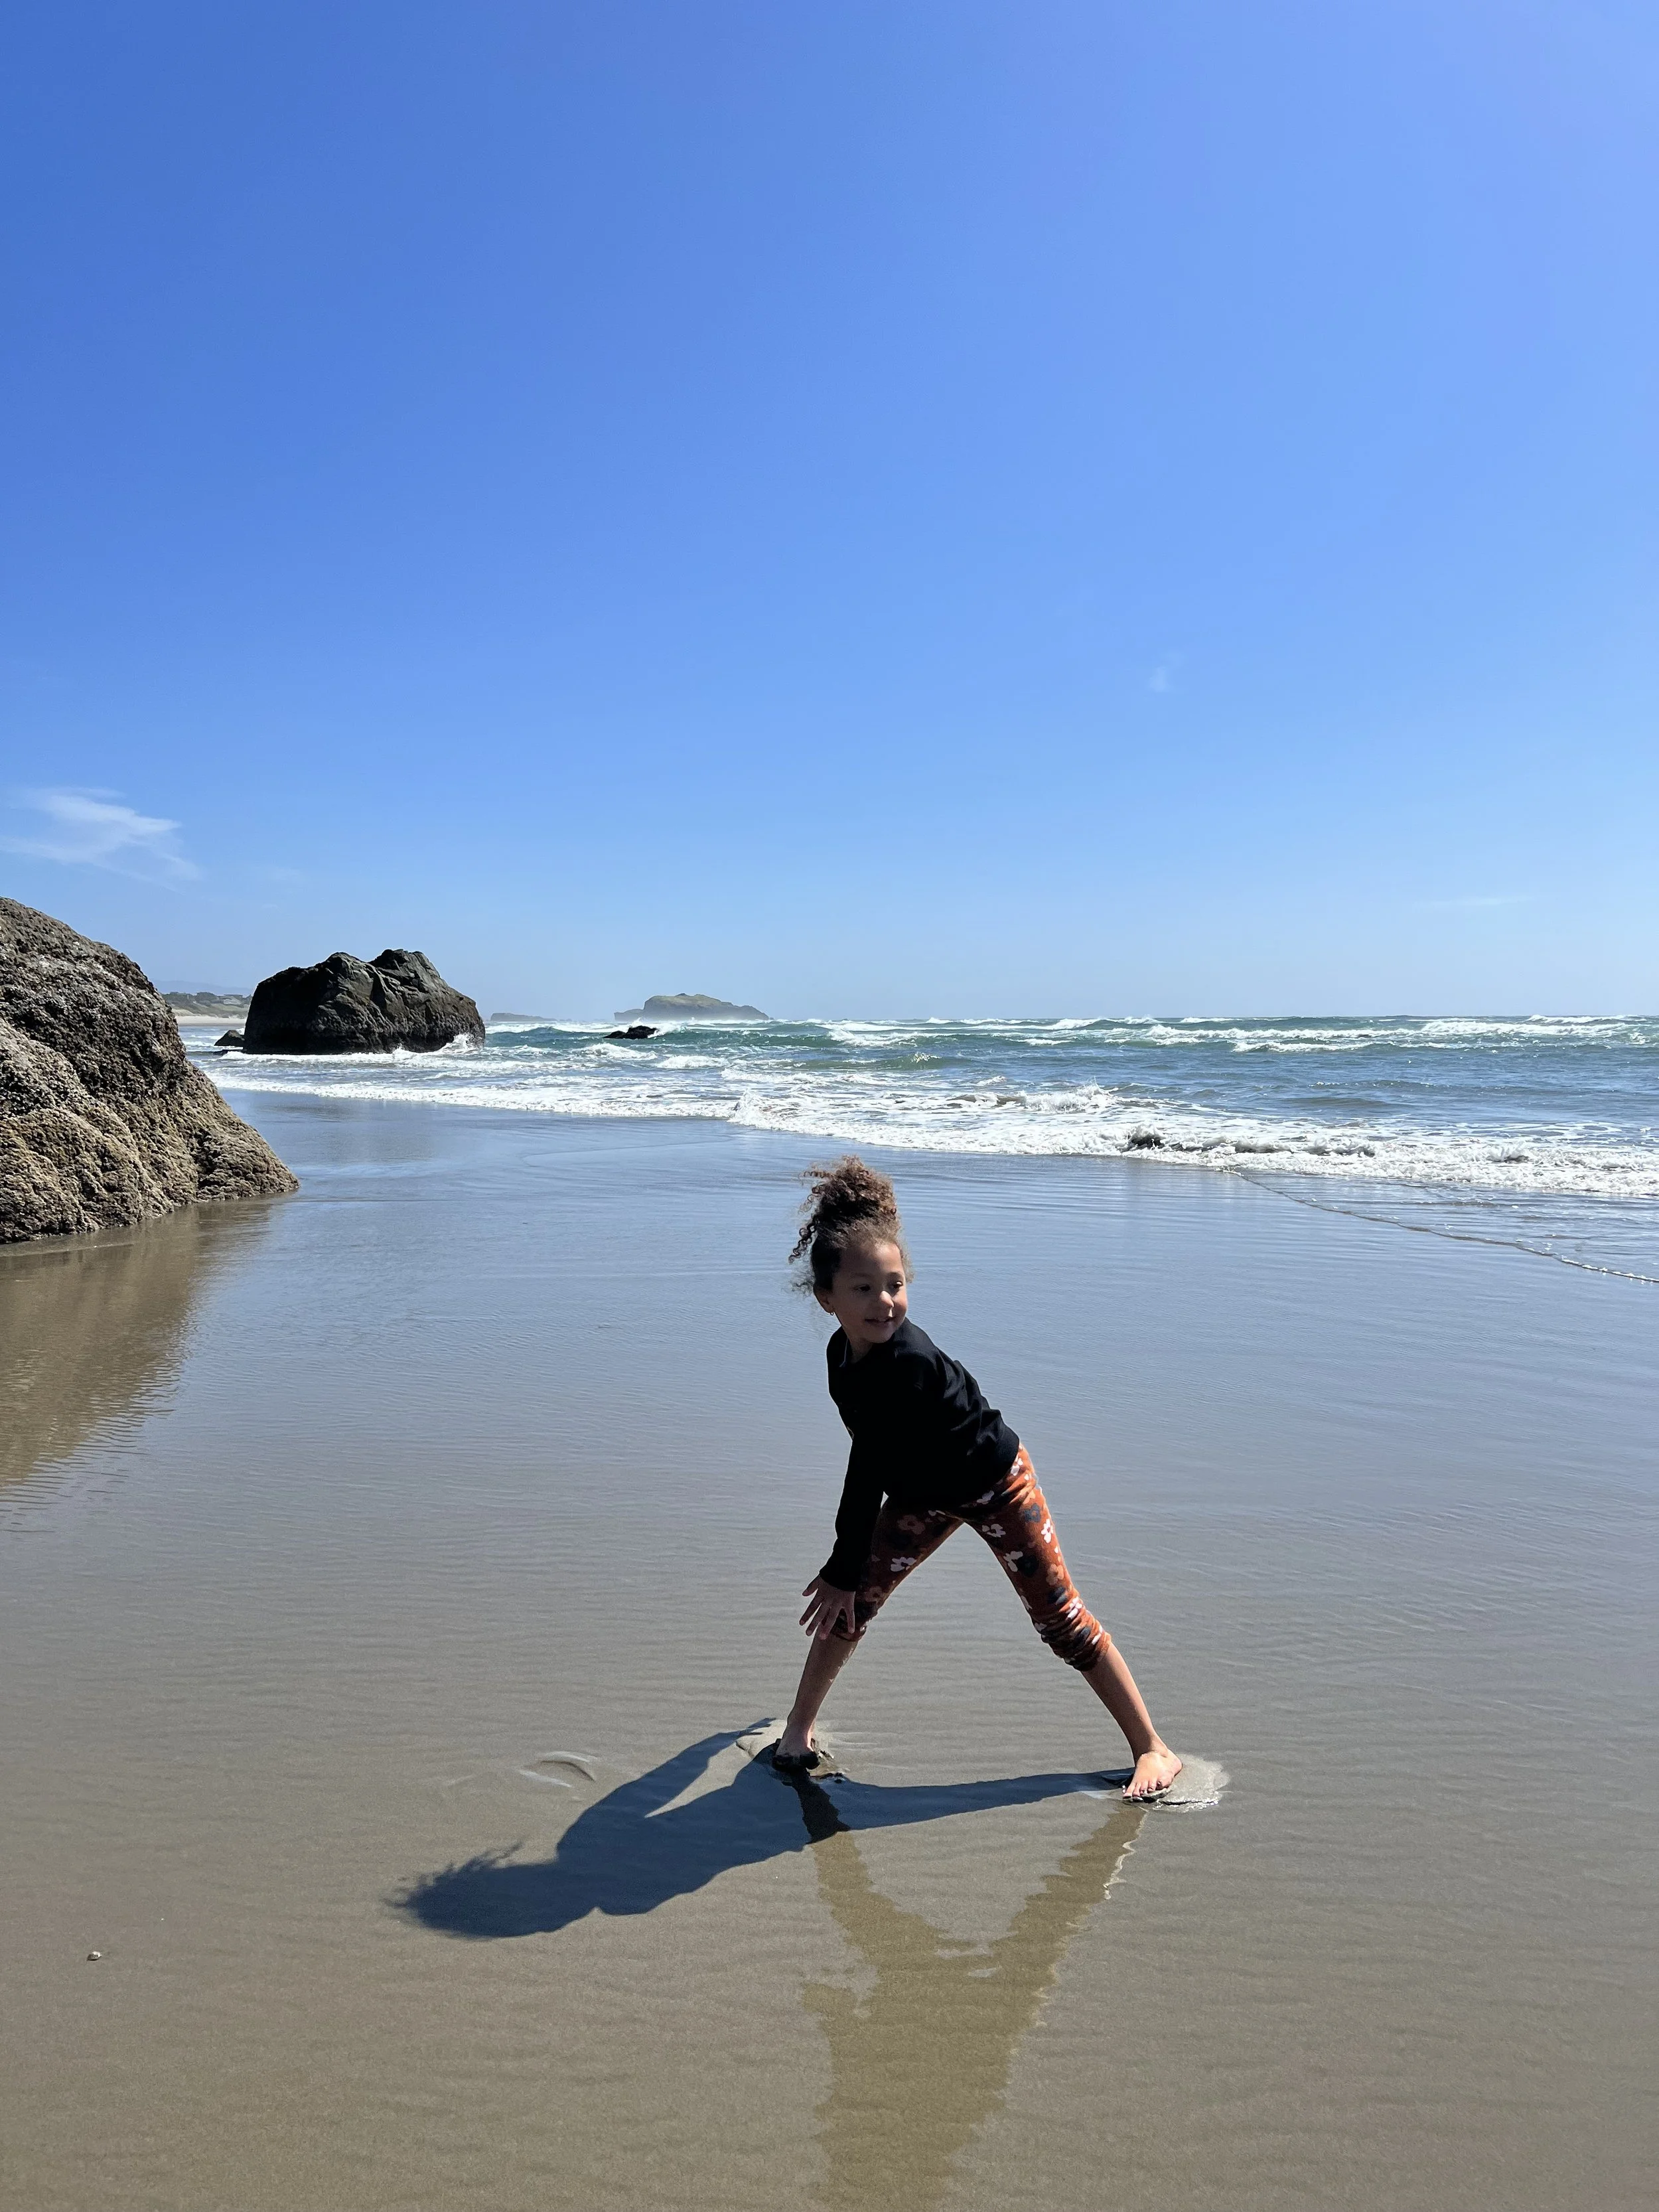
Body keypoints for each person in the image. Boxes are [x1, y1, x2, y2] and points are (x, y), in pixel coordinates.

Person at [774, 1157, 1183, 1802]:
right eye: (862, 1289)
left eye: (895, 1284)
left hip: (995, 1482)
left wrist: (842, 1561)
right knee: (851, 1605)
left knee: (1059, 1621)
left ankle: (1152, 1749)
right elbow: (871, 1455)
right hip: (922, 1493)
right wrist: (847, 1572)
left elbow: (866, 1468)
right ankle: (797, 1731)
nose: (884, 1301)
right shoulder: (841, 1359)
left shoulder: (905, 1364)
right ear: (826, 1298)